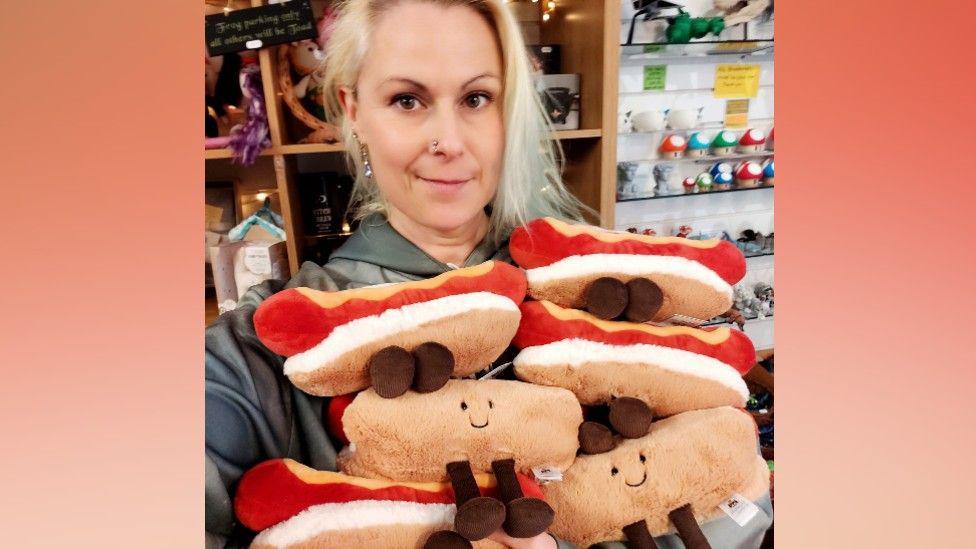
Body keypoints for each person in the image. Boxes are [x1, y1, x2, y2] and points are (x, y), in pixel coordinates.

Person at [206, 1, 772, 548]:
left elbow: (733, 496)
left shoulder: (606, 293)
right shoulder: (264, 349)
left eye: (477, 98)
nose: (449, 143)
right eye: (407, 100)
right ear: (354, 112)